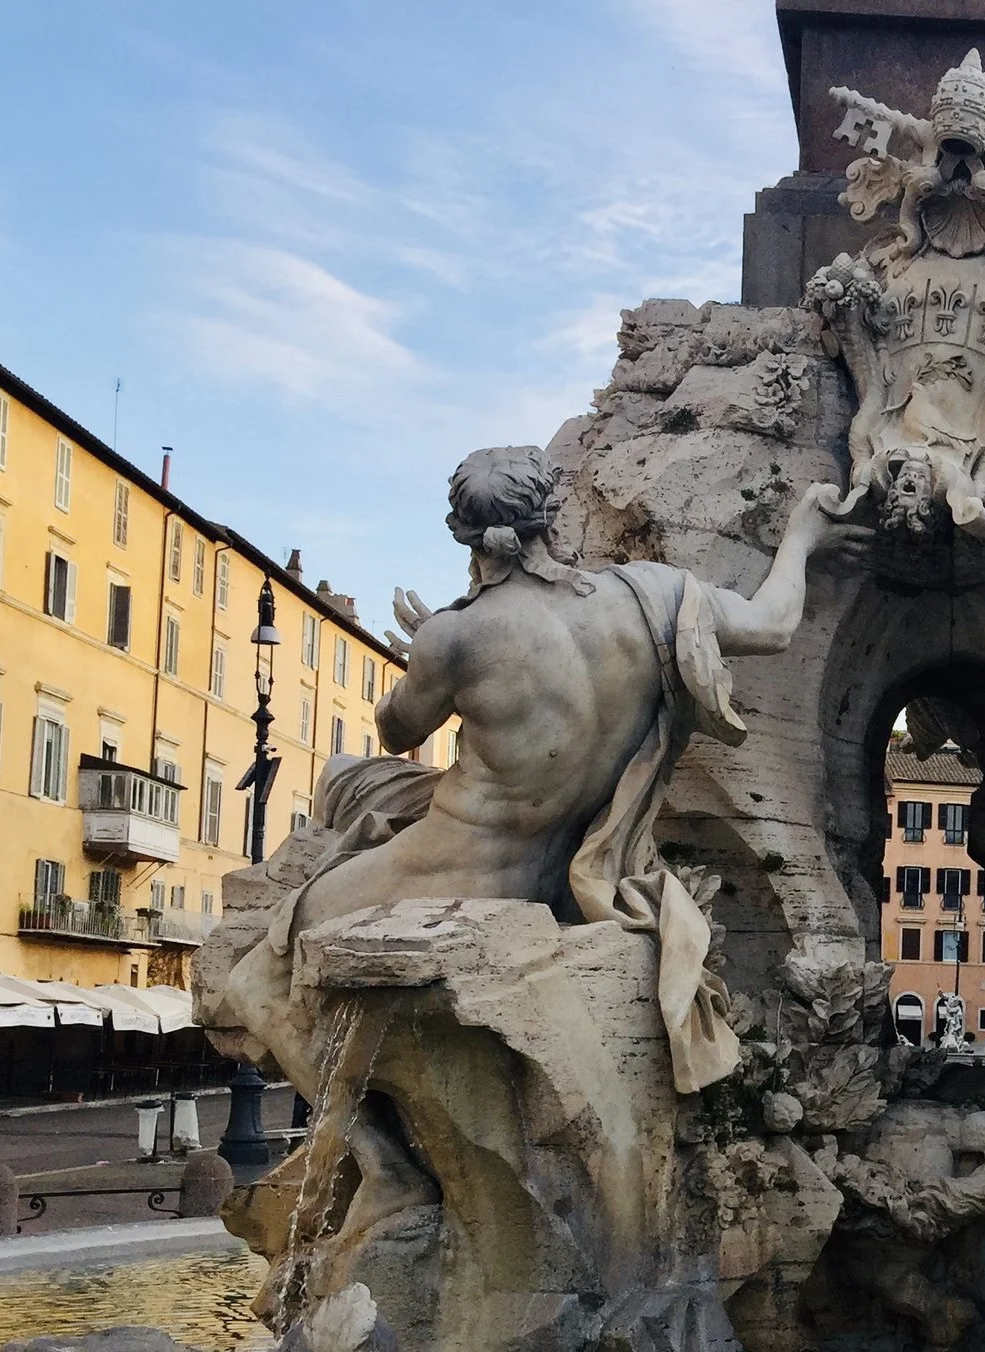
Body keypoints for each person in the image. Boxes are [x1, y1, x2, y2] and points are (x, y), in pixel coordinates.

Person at [223, 445, 863, 1095]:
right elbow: (774, 623)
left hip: (459, 867)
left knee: (253, 981)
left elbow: (396, 730)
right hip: (568, 870)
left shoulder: (458, 634)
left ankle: (383, 1165)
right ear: (551, 516)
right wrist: (804, 534)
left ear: (464, 535)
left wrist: (431, 649)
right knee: (352, 782)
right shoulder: (654, 596)